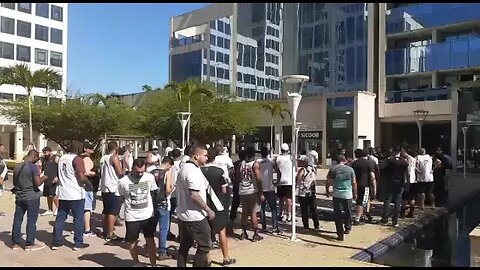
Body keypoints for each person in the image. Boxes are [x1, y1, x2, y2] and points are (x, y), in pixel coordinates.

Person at [176, 145, 218, 267]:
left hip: (184, 214)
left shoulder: (186, 168)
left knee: (185, 244)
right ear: (196, 156)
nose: (207, 158)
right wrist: (208, 210)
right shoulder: (192, 171)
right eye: (205, 155)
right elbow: (194, 195)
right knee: (205, 245)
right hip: (195, 216)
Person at [117, 158, 158, 267]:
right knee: (132, 241)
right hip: (132, 216)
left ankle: (153, 263)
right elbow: (121, 196)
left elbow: (153, 193)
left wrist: (154, 211)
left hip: (147, 214)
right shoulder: (123, 182)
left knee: (150, 240)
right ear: (132, 169)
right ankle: (136, 262)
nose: (140, 174)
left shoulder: (150, 177)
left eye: (142, 172)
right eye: (137, 172)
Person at [52, 141, 90, 251]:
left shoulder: (62, 158)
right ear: (79, 149)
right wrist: (89, 185)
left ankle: (56, 242)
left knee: (60, 218)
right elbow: (81, 177)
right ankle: (78, 243)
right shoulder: (77, 159)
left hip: (63, 193)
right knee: (78, 219)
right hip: (76, 194)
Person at [201, 147, 236, 266]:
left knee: (207, 233)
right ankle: (226, 257)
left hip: (204, 205)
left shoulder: (199, 170)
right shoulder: (219, 171)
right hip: (218, 204)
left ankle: (208, 259)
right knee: (221, 231)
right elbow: (224, 189)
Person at [11, 150, 48, 251]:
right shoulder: (33, 167)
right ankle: (29, 243)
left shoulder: (17, 166)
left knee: (18, 220)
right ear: (35, 156)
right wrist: (44, 178)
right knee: (31, 220)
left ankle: (15, 243)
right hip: (32, 197)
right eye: (38, 158)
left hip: (20, 197)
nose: (37, 161)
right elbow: (37, 183)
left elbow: (15, 183)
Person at [326, 155, 356, 241]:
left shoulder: (333, 169)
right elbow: (354, 183)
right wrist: (355, 193)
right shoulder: (350, 169)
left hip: (337, 194)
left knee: (338, 214)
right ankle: (348, 227)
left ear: (336, 161)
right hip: (347, 194)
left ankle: (340, 234)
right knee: (348, 212)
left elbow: (328, 181)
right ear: (345, 161)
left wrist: (327, 191)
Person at [100, 141, 124, 241]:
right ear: (116, 148)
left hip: (104, 186)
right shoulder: (114, 157)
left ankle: (105, 230)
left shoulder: (103, 158)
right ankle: (110, 233)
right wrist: (125, 172)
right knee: (112, 212)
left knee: (106, 210)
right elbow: (119, 172)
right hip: (113, 187)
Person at [150, 156, 174, 261]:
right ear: (168, 165)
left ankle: (149, 247)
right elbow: (168, 189)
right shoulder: (167, 173)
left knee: (151, 227)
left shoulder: (151, 172)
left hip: (153, 202)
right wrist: (172, 187)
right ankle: (162, 251)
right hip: (163, 202)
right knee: (163, 229)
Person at [238, 147, 264, 241]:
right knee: (253, 212)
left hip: (243, 190)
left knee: (244, 212)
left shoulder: (242, 164)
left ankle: (243, 232)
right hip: (252, 190)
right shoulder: (255, 164)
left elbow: (237, 177)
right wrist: (261, 193)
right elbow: (258, 180)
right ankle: (255, 233)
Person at [380, 150, 409, 227]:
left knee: (387, 200)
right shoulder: (404, 162)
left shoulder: (390, 161)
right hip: (400, 182)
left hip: (390, 181)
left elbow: (383, 169)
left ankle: (385, 218)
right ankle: (395, 220)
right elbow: (407, 173)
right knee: (398, 201)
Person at [256, 147, 280, 234]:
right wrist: (276, 182)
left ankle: (264, 227)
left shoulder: (258, 162)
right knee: (273, 208)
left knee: (262, 208)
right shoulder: (271, 161)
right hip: (270, 188)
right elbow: (278, 172)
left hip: (261, 188)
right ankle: (274, 227)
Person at [351, 149, 376, 225]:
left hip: (356, 183)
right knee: (362, 201)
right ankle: (358, 218)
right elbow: (372, 176)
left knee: (358, 200)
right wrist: (374, 187)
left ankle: (361, 216)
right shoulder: (369, 163)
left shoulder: (355, 163)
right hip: (365, 185)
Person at [296, 155, 320, 230]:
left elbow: (298, 180)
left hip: (303, 193)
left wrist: (297, 188)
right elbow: (314, 180)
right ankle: (317, 225)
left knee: (304, 210)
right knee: (313, 210)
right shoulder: (312, 169)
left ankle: (306, 226)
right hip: (311, 192)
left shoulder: (302, 170)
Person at [81, 142, 98, 237]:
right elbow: (86, 172)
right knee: (87, 208)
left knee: (81, 207)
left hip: (82, 185)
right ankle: (87, 229)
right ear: (85, 149)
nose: (92, 151)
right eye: (90, 148)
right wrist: (96, 173)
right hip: (88, 185)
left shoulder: (78, 158)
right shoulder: (86, 158)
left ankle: (78, 227)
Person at [274, 143, 293, 223]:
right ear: (288, 150)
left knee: (281, 199)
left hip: (281, 181)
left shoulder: (278, 158)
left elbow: (276, 170)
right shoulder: (291, 157)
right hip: (289, 181)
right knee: (289, 199)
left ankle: (281, 213)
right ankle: (289, 214)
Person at [227, 150, 245, 233]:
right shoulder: (245, 164)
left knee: (235, 204)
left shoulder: (235, 164)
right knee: (245, 206)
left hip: (236, 186)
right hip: (243, 187)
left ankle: (231, 220)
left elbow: (231, 174)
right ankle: (244, 224)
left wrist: (233, 181)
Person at [167, 148, 182, 241]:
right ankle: (181, 234)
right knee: (180, 215)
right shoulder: (183, 165)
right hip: (179, 192)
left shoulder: (170, 165)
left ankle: (167, 232)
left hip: (170, 191)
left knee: (169, 214)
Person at [40, 147, 60, 216]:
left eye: (45, 152)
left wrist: (57, 176)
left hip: (53, 179)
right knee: (48, 195)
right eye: (44, 153)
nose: (44, 154)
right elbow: (42, 168)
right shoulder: (44, 160)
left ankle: (58, 208)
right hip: (46, 179)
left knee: (53, 194)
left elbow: (59, 168)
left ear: (49, 151)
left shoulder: (55, 158)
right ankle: (50, 209)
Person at [400, 148, 417, 218]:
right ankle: (411, 212)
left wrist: (407, 180)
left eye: (401, 152)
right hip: (413, 179)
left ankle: (403, 212)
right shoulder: (413, 159)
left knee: (404, 197)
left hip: (407, 180)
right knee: (411, 197)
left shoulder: (406, 159)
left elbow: (408, 170)